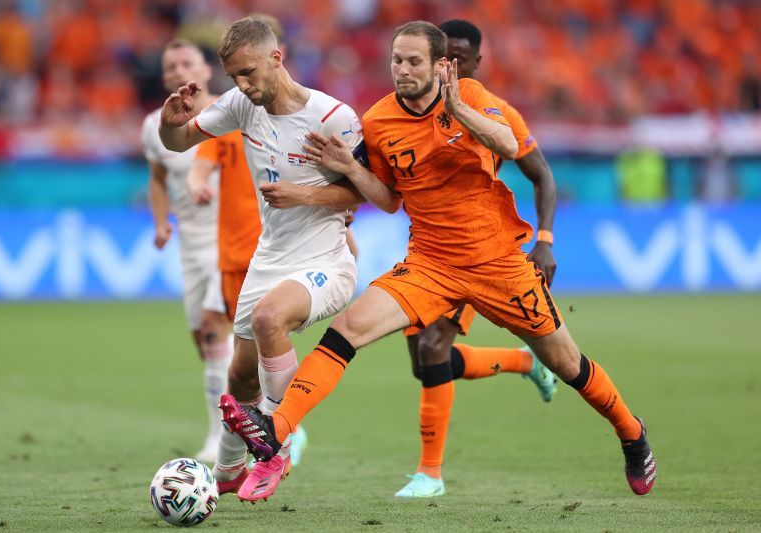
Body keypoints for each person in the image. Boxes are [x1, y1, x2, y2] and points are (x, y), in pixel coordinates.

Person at [221, 21, 656, 499]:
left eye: (413, 62)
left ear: (438, 65)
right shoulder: (380, 121)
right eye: (396, 60)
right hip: (429, 263)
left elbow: (509, 145)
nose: (402, 70)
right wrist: (349, 167)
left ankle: (631, 433)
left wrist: (457, 111)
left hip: (497, 262)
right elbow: (387, 198)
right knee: (347, 331)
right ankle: (275, 429)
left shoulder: (469, 94)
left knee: (568, 363)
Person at [158, 17, 365, 502]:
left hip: (326, 260)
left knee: (271, 318)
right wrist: (170, 124)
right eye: (234, 77)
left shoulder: (334, 116)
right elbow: (180, 141)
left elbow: (374, 194)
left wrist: (303, 195)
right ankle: (228, 471)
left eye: (249, 72)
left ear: (278, 57)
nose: (243, 85)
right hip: (269, 257)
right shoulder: (241, 106)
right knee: (239, 375)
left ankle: (277, 444)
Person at [387, 18, 562, 498]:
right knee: (425, 363)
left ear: (477, 62)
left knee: (432, 348)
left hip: (479, 250)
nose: (456, 66)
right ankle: (524, 363)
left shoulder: (494, 111)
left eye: (464, 58)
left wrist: (544, 239)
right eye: (449, 57)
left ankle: (430, 474)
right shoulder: (406, 112)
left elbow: (542, 175)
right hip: (426, 249)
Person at [140, 38, 229, 464]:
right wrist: (161, 222)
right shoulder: (154, 125)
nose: (178, 71)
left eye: (186, 63)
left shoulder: (231, 113)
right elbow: (158, 178)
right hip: (191, 245)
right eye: (170, 65)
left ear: (206, 70)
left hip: (234, 238)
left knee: (216, 330)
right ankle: (271, 413)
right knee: (206, 342)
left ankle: (220, 437)